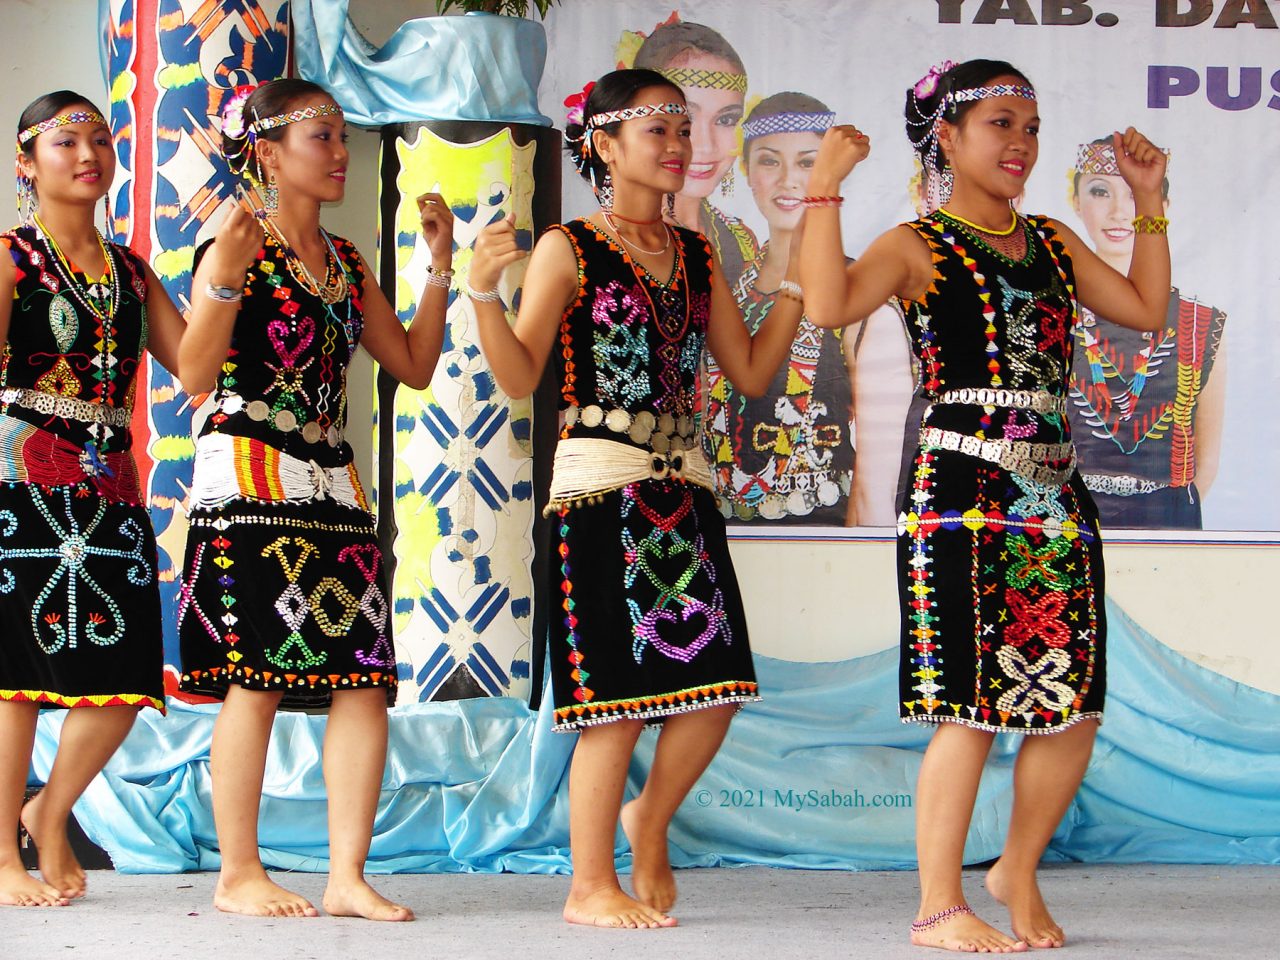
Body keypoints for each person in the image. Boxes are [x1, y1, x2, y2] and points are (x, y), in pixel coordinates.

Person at [800, 59, 1171, 951]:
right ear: (949, 137)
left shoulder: (1048, 239)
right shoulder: (915, 243)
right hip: (959, 492)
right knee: (969, 704)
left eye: (1031, 127)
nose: (1020, 144)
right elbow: (825, 299)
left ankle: (1016, 870)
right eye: (1001, 123)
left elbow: (1148, 307)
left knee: (1073, 705)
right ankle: (938, 905)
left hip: (1055, 492)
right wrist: (823, 191)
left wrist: (1151, 200)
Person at [468, 68, 802, 928]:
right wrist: (477, 293)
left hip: (683, 487)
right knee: (611, 702)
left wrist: (793, 275)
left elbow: (755, 371)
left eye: (684, 130)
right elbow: (518, 373)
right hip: (598, 489)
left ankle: (646, 819)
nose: (680, 146)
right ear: (605, 147)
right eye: (658, 129)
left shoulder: (696, 254)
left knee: (718, 685)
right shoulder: (567, 248)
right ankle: (588, 886)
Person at [175, 78, 453, 921]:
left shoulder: (346, 262)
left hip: (333, 480)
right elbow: (192, 377)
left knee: (364, 680)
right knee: (254, 680)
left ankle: (346, 876)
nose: (339, 153)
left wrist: (439, 266)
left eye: (341, 137)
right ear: (266, 151)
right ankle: (237, 874)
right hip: (252, 472)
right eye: (321, 138)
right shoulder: (234, 245)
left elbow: (411, 364)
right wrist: (223, 270)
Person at [0, 91, 185, 907]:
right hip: (21, 482)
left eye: (101, 139)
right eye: (66, 139)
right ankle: (3, 859)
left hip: (111, 486)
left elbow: (200, 370)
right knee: (16, 681)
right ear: (26, 163)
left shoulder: (131, 273)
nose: (88, 153)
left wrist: (218, 283)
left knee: (127, 674)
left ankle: (51, 810)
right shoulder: (9, 258)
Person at [703, 92, 856, 524]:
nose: (789, 180)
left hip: (824, 525)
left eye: (808, 163)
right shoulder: (726, 286)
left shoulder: (855, 286)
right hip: (719, 525)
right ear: (747, 171)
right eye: (770, 161)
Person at [1066, 137, 1226, 529]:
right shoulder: (1049, 313)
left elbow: (1205, 463)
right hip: (1065, 520)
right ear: (1076, 202)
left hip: (1167, 525)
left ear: (1162, 208)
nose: (1120, 212)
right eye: (1100, 191)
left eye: (1135, 195)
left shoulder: (1198, 322)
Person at [631, 19, 758, 288]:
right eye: (686, 118)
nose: (705, 146)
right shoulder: (612, 241)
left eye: (725, 120)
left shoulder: (741, 238)